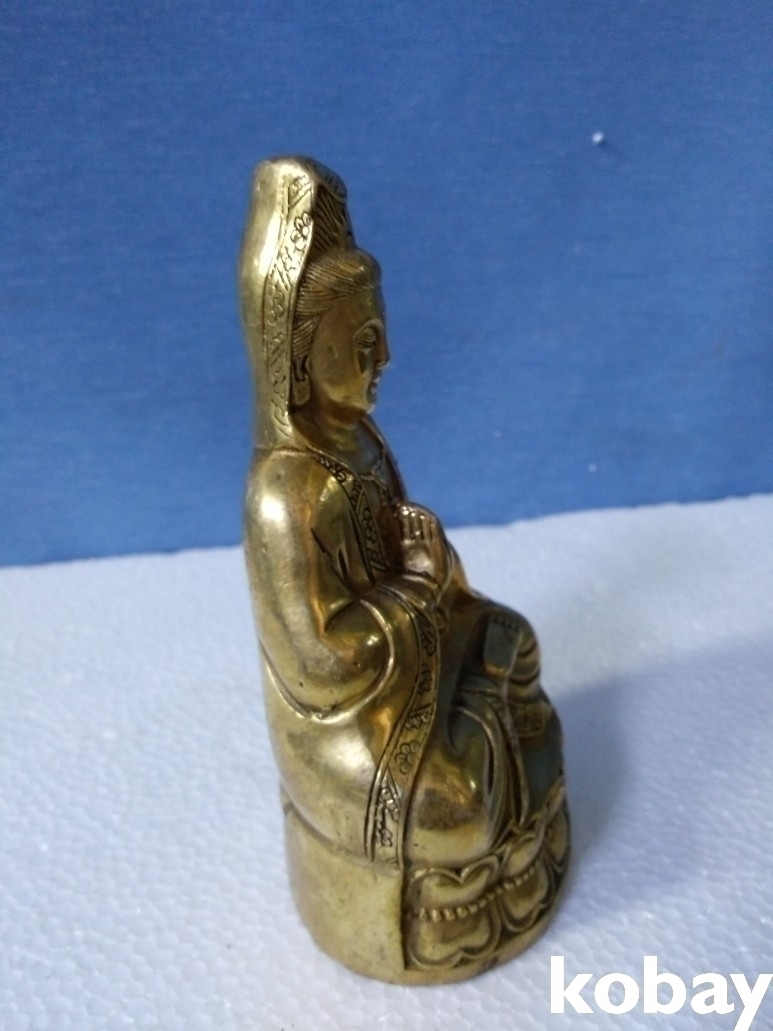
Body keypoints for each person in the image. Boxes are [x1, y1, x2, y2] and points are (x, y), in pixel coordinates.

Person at [240, 157, 568, 984]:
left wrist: (434, 572)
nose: (384, 357)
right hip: (348, 725)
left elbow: (412, 563)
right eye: (361, 344)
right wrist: (417, 589)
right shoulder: (284, 493)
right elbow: (319, 664)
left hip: (416, 658)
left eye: (380, 335)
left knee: (511, 637)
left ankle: (486, 737)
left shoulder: (361, 443)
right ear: (300, 361)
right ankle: (481, 799)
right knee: (457, 811)